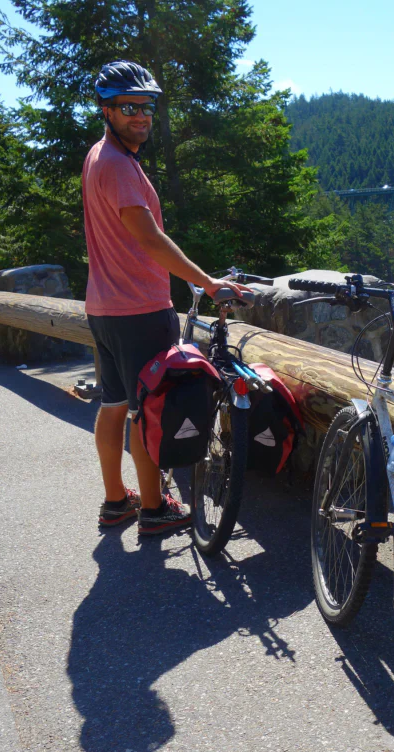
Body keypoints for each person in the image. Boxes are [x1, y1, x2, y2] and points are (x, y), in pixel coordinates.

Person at [83, 60, 243, 535]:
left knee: (114, 403)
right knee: (146, 407)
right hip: (139, 311)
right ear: (107, 110)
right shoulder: (118, 165)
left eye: (147, 106)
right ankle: (153, 508)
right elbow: (149, 239)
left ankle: (117, 501)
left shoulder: (99, 155)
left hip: (104, 307)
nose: (142, 116)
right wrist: (209, 283)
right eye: (129, 107)